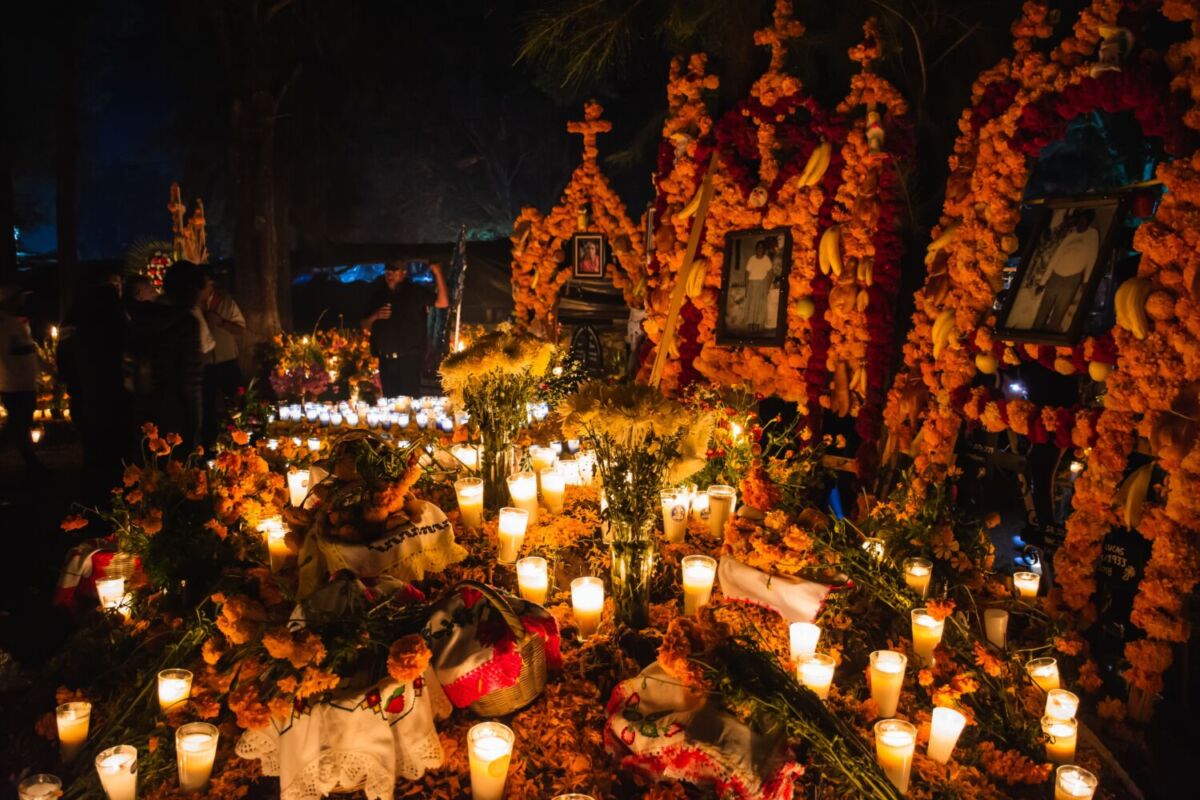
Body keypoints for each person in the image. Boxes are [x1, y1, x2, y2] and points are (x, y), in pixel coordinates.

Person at [65, 266, 130, 496]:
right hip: (111, 396)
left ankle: (94, 495)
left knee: (94, 450)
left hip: (86, 397)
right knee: (113, 450)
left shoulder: (76, 328)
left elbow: (64, 363)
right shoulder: (114, 328)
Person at [128, 261, 205, 451]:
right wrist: (194, 424)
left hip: (142, 406)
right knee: (178, 467)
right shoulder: (186, 323)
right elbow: (190, 380)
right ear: (191, 291)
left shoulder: (142, 316)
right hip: (175, 409)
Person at [361, 260, 449, 397]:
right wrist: (375, 316)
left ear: (403, 273)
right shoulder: (379, 295)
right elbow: (364, 324)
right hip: (386, 360)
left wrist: (438, 273)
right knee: (390, 404)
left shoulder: (414, 292)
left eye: (394, 271)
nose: (390, 274)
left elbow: (442, 302)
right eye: (387, 271)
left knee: (407, 403)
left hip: (409, 360)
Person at [0, 284, 44, 478]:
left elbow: (29, 351)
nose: (23, 301)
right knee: (18, 424)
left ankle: (32, 464)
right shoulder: (4, 325)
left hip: (23, 382)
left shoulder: (16, 323)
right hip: (14, 384)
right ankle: (32, 464)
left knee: (19, 424)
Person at [1032, 210, 1100, 333]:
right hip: (1056, 276)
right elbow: (1055, 257)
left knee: (1060, 310)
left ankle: (1050, 338)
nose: (1080, 224)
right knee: (1044, 309)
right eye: (1079, 220)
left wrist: (1086, 281)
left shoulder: (1092, 235)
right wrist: (1043, 282)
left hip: (1072, 279)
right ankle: (1033, 334)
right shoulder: (1071, 235)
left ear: (1088, 222)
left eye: (1084, 221)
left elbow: (1092, 258)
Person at [200, 266, 245, 447]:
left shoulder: (225, 302)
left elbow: (240, 328)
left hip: (227, 361)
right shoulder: (193, 305)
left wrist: (221, 322)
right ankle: (209, 445)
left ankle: (240, 442)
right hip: (204, 365)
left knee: (236, 405)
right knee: (206, 409)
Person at [743, 239, 774, 331]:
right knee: (751, 304)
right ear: (756, 249)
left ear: (764, 250)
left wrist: (767, 286)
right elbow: (746, 273)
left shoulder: (766, 259)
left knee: (760, 304)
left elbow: (770, 273)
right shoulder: (752, 259)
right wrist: (746, 286)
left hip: (762, 284)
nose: (760, 249)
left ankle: (757, 324)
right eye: (759, 247)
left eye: (762, 248)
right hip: (752, 283)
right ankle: (750, 323)